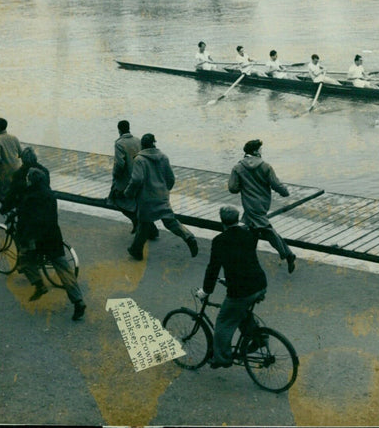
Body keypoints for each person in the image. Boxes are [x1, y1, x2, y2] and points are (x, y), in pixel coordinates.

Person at [195, 205, 268, 368]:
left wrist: (206, 291)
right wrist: (228, 279)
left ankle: (222, 358)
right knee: (240, 312)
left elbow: (212, 269)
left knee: (223, 321)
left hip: (242, 290)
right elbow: (243, 260)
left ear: (222, 221)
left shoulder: (220, 241)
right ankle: (259, 338)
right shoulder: (249, 234)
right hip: (259, 283)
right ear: (237, 218)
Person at [17, 168, 87, 321]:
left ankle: (39, 284)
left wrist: (23, 238)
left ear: (31, 181)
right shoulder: (50, 195)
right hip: (53, 237)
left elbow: (25, 221)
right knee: (63, 269)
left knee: (24, 261)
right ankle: (78, 300)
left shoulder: (29, 197)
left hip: (36, 239)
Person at [124, 133, 198, 261]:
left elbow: (137, 179)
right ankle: (188, 236)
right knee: (170, 220)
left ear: (142, 145)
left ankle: (136, 250)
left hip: (146, 198)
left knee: (143, 223)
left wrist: (129, 193)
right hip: (162, 195)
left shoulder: (139, 160)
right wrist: (165, 190)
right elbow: (171, 178)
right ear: (154, 143)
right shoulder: (163, 157)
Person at [228, 139, 296, 274]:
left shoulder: (238, 168)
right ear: (255, 152)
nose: (261, 152)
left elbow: (233, 188)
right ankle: (249, 260)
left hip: (249, 205)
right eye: (260, 150)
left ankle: (287, 254)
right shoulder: (266, 166)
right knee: (253, 230)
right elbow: (276, 184)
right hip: (262, 205)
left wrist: (243, 184)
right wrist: (285, 192)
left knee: (264, 230)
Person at [108, 120, 158, 238]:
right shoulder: (137, 140)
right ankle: (150, 229)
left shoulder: (119, 144)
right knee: (136, 204)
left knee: (115, 200)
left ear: (119, 130)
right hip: (139, 176)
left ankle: (138, 223)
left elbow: (120, 164)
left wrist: (115, 176)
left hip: (126, 179)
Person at [0, 117, 22, 204]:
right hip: (17, 171)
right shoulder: (14, 137)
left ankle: (6, 209)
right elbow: (20, 153)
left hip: (5, 173)